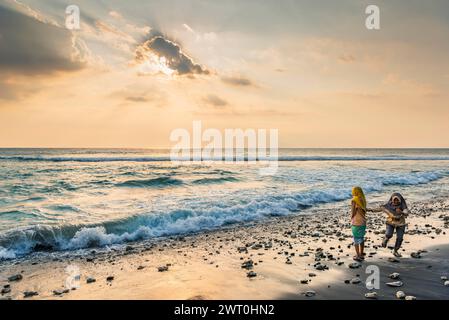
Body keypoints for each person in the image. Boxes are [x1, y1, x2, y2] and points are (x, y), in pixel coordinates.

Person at [381, 193, 409, 257]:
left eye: (397, 200)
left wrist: (401, 212)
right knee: (389, 234)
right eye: (394, 200)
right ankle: (385, 239)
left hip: (401, 223)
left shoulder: (402, 205)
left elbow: (406, 213)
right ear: (392, 200)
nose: (396, 201)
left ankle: (395, 251)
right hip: (391, 222)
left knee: (399, 238)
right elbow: (381, 208)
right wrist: (368, 209)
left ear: (400, 200)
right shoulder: (389, 205)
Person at [351, 186, 367, 261]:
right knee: (361, 238)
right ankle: (361, 253)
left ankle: (358, 255)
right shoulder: (363, 199)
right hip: (363, 222)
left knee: (356, 239)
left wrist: (351, 218)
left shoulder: (354, 200)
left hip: (356, 222)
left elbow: (353, 212)